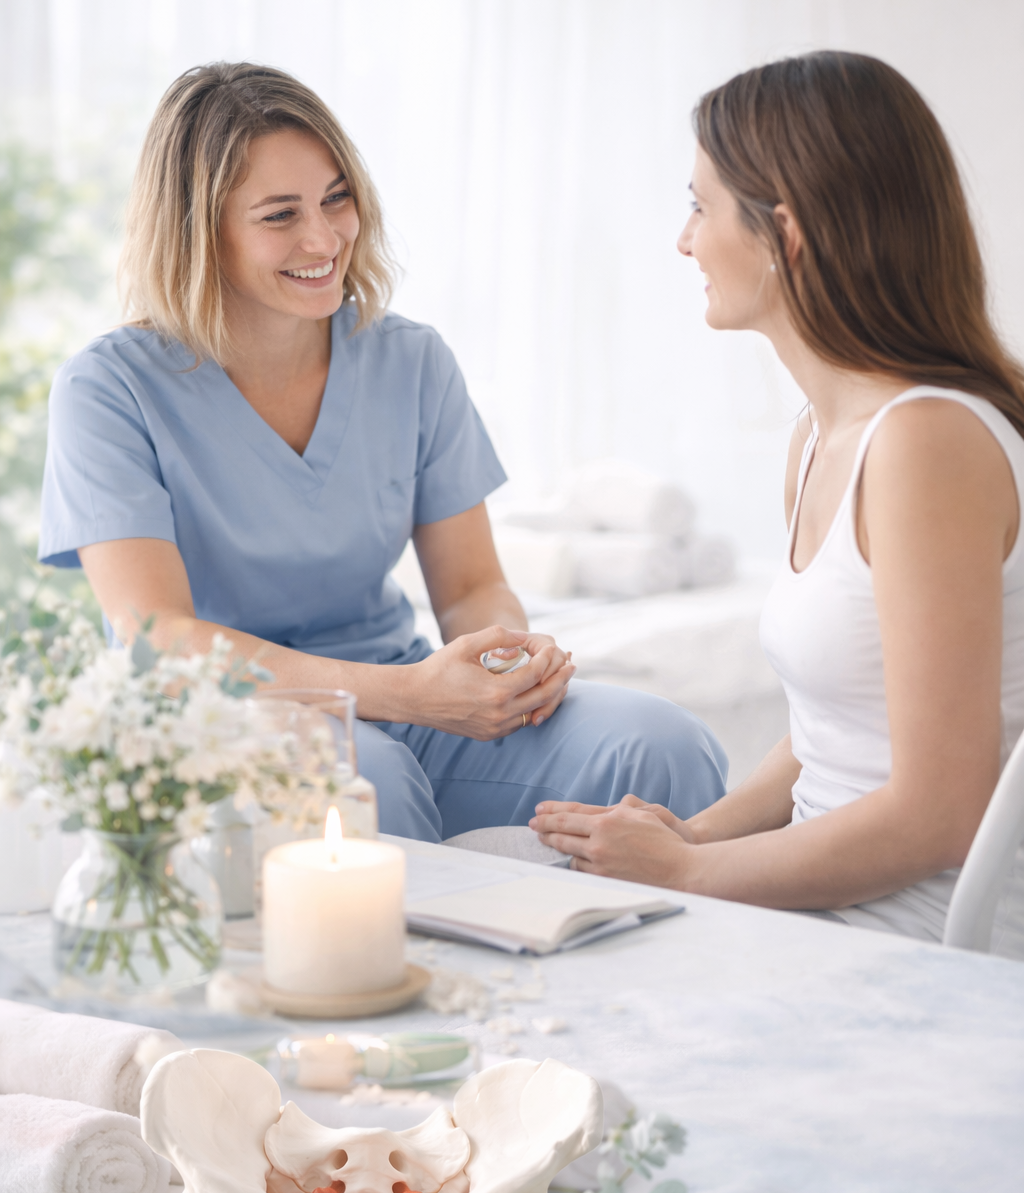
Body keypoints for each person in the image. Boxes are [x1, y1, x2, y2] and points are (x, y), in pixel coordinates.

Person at [37, 61, 727, 842]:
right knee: (369, 786)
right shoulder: (109, 390)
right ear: (199, 230)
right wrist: (402, 695)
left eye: (337, 197)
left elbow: (471, 586)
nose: (324, 237)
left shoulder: (411, 361)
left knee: (664, 745)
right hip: (227, 725)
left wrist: (505, 661)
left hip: (402, 701)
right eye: (278, 215)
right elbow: (157, 640)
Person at [531, 51, 1024, 958]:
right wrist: (695, 838)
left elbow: (941, 815)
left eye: (698, 207)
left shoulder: (929, 445)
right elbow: (829, 734)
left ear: (783, 233)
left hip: (914, 938)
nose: (684, 242)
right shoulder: (817, 437)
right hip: (827, 904)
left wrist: (685, 876)